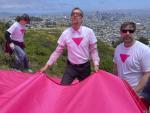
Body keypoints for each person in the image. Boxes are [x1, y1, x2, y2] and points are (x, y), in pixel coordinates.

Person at [40, 7, 100, 85]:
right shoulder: (66, 33)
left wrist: (96, 64)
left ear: (82, 18)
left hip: (85, 67)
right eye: (73, 14)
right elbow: (58, 51)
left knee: (84, 89)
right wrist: (47, 65)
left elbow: (93, 50)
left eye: (78, 14)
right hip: (71, 67)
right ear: (71, 18)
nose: (75, 15)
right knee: (63, 86)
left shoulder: (89, 32)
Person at [113, 21, 150, 94]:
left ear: (134, 33)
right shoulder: (118, 48)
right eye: (124, 31)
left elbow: (147, 74)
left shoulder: (144, 50)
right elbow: (115, 68)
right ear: (120, 33)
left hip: (137, 93)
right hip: (120, 90)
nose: (127, 33)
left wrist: (134, 92)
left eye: (130, 31)